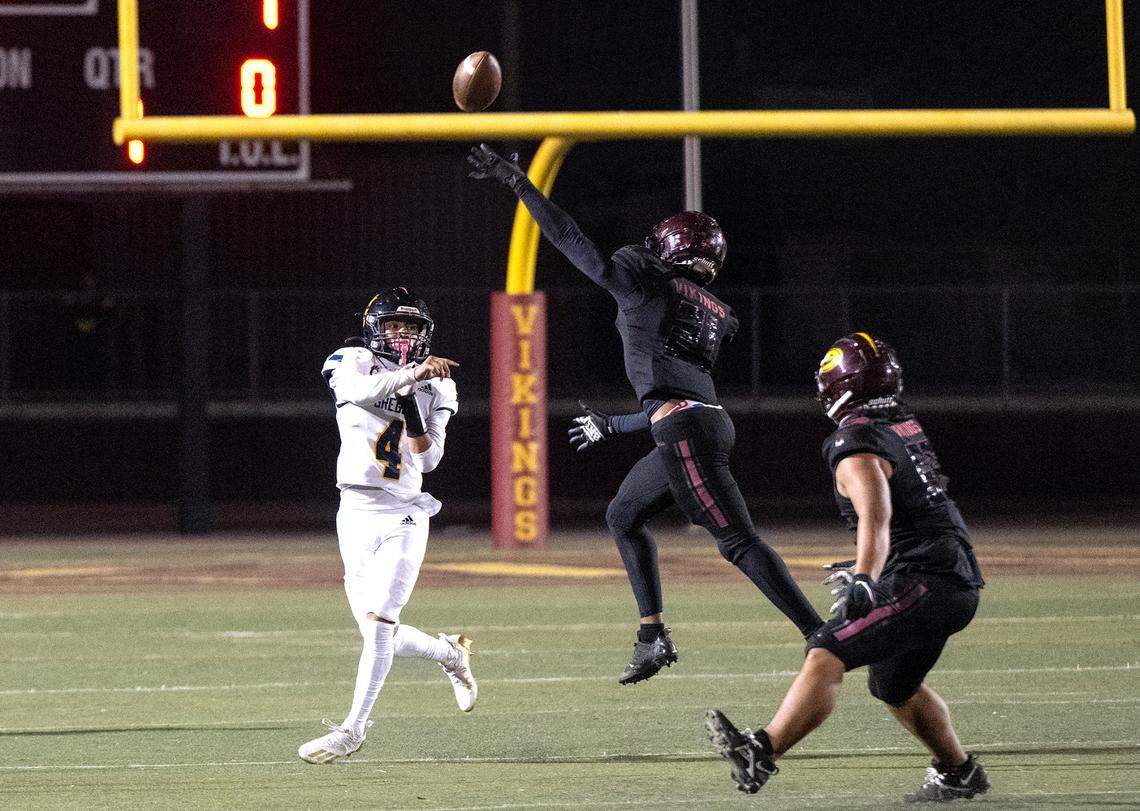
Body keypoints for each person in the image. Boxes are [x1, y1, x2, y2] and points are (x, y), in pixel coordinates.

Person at [468, 144, 822, 685]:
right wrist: (614, 425)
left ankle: (820, 635)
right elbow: (672, 397)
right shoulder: (714, 310)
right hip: (695, 423)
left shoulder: (643, 278)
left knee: (738, 542)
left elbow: (570, 239)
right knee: (623, 516)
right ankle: (652, 635)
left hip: (686, 429)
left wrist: (521, 185)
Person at [705, 332, 988, 803]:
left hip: (928, 579)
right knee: (894, 684)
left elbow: (878, 516)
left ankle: (762, 749)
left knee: (826, 650)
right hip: (948, 575)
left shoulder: (855, 441)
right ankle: (958, 772)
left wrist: (865, 575)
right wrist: (873, 566)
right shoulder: (899, 422)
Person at [298, 287, 477, 764]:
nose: (401, 334)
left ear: (424, 332)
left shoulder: (439, 385)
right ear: (373, 329)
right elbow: (356, 392)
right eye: (392, 325)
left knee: (379, 625)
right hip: (353, 510)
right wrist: (407, 377)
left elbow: (430, 458)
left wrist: (416, 397)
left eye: (410, 327)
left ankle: (352, 730)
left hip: (404, 511)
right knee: (380, 632)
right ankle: (450, 654)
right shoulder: (351, 359)